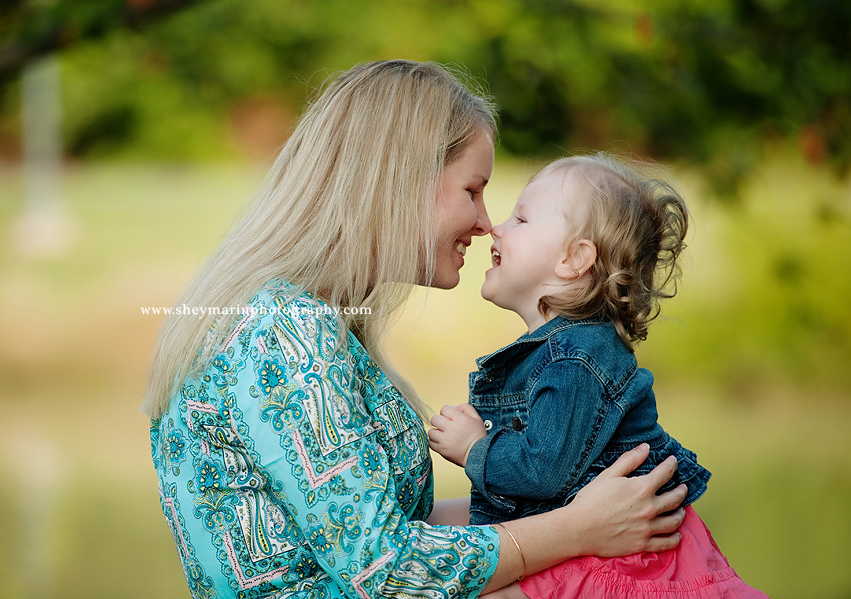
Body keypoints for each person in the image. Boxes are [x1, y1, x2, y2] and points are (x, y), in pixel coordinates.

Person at [143, 61, 689, 599]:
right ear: (401, 184)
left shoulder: (319, 324)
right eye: (472, 190)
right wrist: (575, 531)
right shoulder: (281, 333)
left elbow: (402, 528)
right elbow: (388, 572)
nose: (485, 222)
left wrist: (586, 510)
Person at [428, 153, 767, 598]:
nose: (496, 227)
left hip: (623, 562)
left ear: (574, 258)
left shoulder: (576, 359)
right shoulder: (564, 349)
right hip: (600, 543)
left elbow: (543, 473)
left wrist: (476, 449)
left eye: (522, 219)